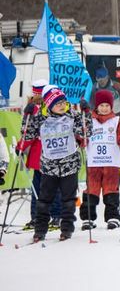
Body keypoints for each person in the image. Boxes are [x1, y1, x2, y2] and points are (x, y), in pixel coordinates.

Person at [21, 85, 85, 242]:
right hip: (49, 166)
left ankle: (67, 229)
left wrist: (86, 114)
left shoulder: (72, 115)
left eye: (63, 102)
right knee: (44, 200)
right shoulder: (41, 119)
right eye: (58, 103)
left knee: (68, 199)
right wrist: (27, 115)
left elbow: (85, 131)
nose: (62, 105)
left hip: (69, 164)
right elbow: (26, 134)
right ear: (49, 105)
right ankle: (40, 230)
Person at [17, 80, 62, 230]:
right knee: (40, 187)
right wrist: (21, 146)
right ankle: (38, 217)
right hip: (40, 155)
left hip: (51, 153)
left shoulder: (51, 107)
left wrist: (21, 146)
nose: (37, 96)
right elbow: (27, 131)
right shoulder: (33, 109)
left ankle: (55, 216)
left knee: (51, 187)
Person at [80, 89, 120, 230]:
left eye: (107, 106)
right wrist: (80, 139)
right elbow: (83, 136)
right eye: (101, 106)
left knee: (111, 189)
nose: (104, 108)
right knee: (91, 190)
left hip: (111, 163)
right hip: (94, 162)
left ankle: (112, 217)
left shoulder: (116, 121)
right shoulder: (89, 120)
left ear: (111, 106)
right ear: (96, 106)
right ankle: (88, 218)